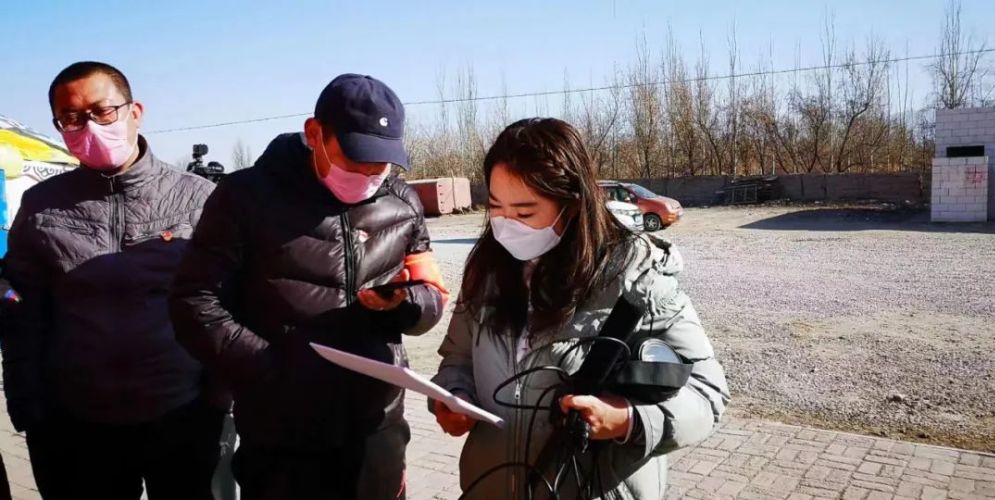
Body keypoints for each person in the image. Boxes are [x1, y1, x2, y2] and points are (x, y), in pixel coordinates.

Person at [169, 73, 447, 500]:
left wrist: (406, 304)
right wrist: (267, 367)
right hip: (282, 429)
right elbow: (194, 301)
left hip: (377, 424)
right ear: (314, 134)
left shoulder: (403, 202)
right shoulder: (245, 197)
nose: (372, 173)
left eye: (383, 162)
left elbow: (432, 297)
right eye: (357, 159)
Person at [430, 118, 730, 499]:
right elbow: (457, 360)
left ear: (571, 206)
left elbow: (708, 393)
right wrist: (453, 397)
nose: (506, 226)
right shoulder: (487, 270)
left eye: (524, 213)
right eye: (495, 207)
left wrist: (627, 420)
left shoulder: (637, 278)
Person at [0, 61, 225, 500]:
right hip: (77, 422)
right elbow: (23, 314)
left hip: (183, 413)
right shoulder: (42, 205)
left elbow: (229, 301)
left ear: (134, 111)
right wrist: (28, 407)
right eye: (70, 117)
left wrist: (221, 399)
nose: (88, 126)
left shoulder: (199, 199)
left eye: (102, 111)